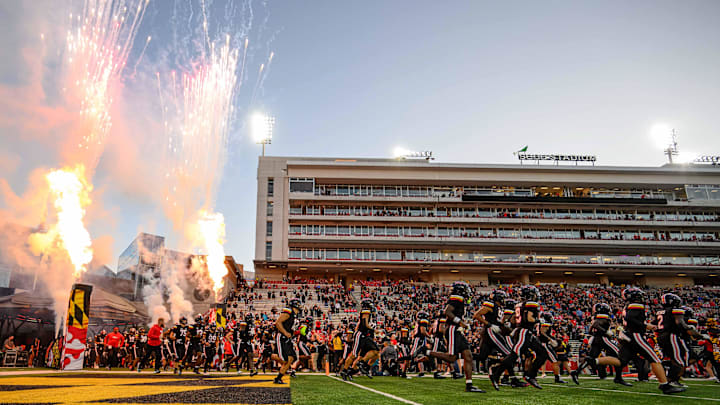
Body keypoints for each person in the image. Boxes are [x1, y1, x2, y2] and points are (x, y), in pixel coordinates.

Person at [616, 287, 684, 394]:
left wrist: (647, 326)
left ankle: (618, 377)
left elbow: (629, 319)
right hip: (636, 335)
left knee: (623, 360)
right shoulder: (636, 305)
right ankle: (664, 385)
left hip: (628, 334)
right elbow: (631, 318)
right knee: (654, 359)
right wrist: (644, 325)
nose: (641, 297)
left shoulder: (627, 306)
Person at [426, 281, 484, 393]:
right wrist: (460, 322)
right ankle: (427, 352)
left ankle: (469, 384)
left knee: (468, 356)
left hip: (456, 330)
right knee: (452, 357)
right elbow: (447, 311)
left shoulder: (459, 300)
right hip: (453, 329)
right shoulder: (456, 298)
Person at [490, 285, 546, 390]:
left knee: (542, 353)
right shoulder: (531, 304)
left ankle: (530, 375)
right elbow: (529, 318)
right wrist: (539, 320)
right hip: (524, 333)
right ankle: (496, 374)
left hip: (524, 332)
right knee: (513, 356)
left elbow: (512, 321)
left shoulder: (519, 305)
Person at [570, 302, 628, 386]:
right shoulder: (602, 316)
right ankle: (618, 378)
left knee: (591, 358)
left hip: (596, 339)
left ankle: (576, 372)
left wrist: (593, 332)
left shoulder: (596, 317)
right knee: (618, 354)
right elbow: (596, 324)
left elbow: (592, 326)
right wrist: (606, 332)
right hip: (603, 338)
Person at [342, 298, 381, 380]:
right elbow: (365, 324)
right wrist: (373, 329)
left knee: (375, 352)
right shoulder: (366, 311)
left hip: (364, 335)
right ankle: (345, 370)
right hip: (361, 335)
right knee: (354, 354)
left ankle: (361, 365)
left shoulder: (368, 313)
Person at [272, 297, 303, 384]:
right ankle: (269, 355)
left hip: (287, 338)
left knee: (291, 358)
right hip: (282, 337)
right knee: (286, 359)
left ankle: (278, 378)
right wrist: (285, 333)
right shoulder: (288, 311)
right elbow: (278, 323)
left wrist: (295, 333)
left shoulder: (294, 315)